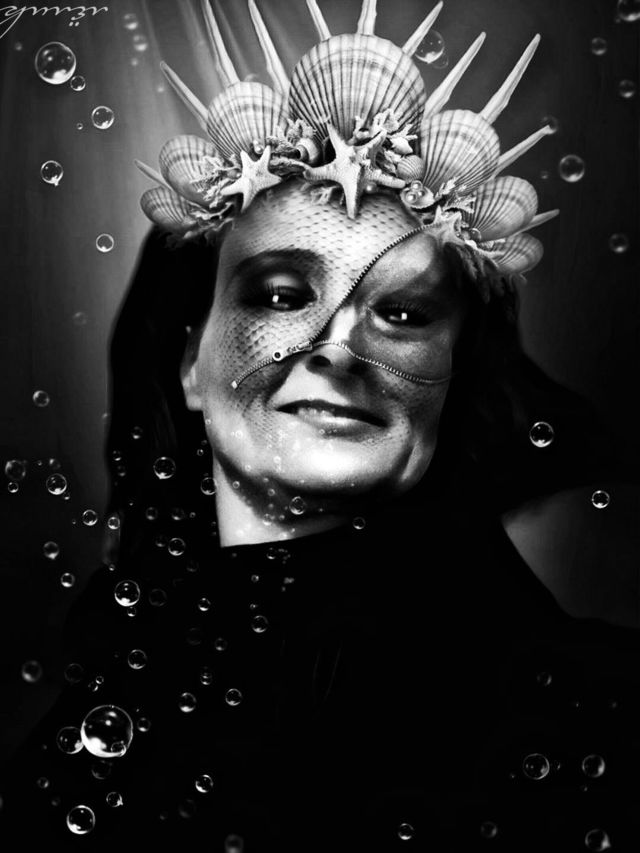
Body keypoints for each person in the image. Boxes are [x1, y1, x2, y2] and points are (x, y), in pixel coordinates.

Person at [1, 2, 639, 850]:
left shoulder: (605, 722)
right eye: (279, 294)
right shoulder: (82, 748)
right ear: (189, 361)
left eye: (403, 312)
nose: (338, 346)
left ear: (456, 376)